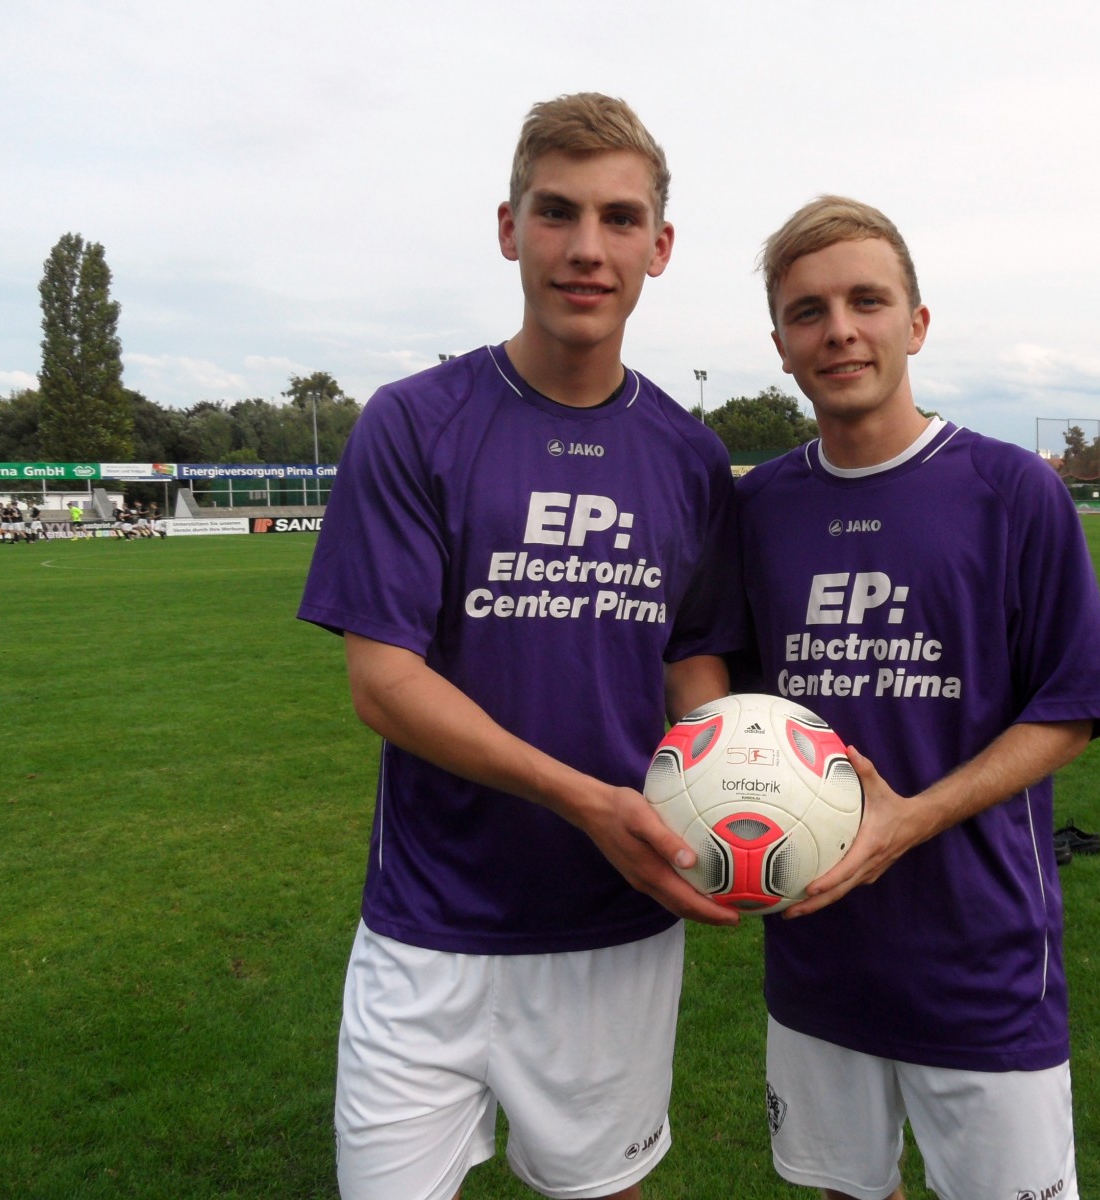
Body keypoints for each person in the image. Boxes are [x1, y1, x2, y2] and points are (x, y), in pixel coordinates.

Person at [297, 92, 745, 1200]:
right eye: (556, 213)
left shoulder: (690, 456)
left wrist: (733, 767)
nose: (586, 249)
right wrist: (584, 799)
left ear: (659, 247)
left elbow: (692, 655)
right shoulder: (413, 423)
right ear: (509, 229)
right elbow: (385, 683)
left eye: (618, 219)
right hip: (431, 928)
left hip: (616, 927)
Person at [736, 196, 1100, 1200]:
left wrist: (910, 820)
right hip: (816, 954)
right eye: (808, 311)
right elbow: (725, 701)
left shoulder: (1010, 491)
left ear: (914, 323)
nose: (840, 331)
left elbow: (1070, 707)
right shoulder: (756, 509)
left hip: (982, 963)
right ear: (780, 343)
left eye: (867, 301)